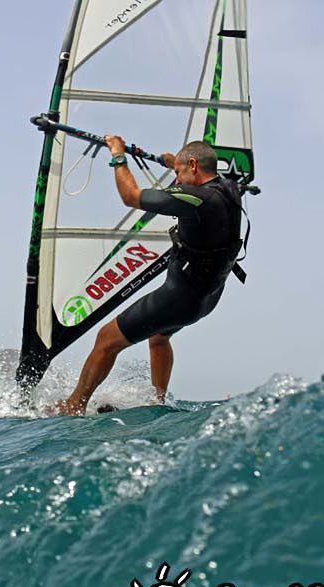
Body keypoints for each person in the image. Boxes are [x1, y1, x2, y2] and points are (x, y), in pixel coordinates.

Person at [54, 135, 244, 415]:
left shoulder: (197, 200)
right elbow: (203, 176)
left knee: (106, 340)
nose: (176, 180)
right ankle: (157, 402)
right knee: (159, 337)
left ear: (193, 165)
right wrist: (174, 164)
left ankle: (73, 405)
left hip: (181, 297)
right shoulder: (229, 188)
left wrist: (118, 155)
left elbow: (130, 196)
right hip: (208, 297)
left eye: (179, 173)